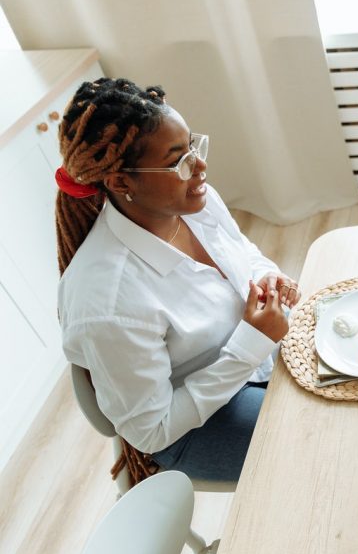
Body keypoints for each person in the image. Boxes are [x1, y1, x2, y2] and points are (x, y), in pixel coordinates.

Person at [56, 78, 299, 484]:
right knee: (324, 435)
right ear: (120, 183)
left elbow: (243, 252)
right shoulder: (110, 303)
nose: (199, 165)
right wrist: (252, 342)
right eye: (178, 159)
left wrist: (266, 277)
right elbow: (152, 429)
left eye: (193, 146)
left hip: (254, 359)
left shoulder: (189, 200)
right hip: (195, 425)